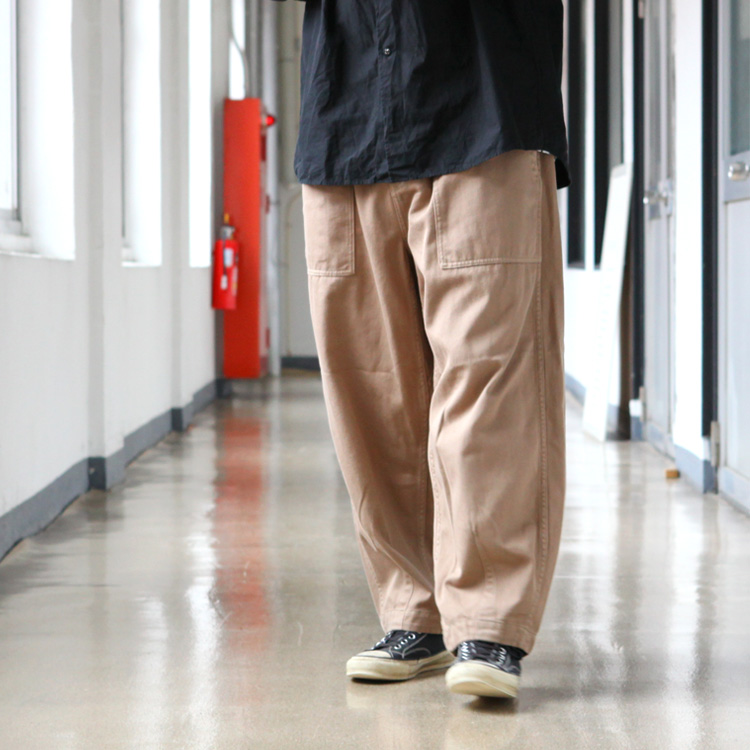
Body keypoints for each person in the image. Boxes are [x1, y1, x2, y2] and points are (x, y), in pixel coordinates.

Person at [272, 0, 569, 700]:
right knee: (371, 390)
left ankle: (488, 623)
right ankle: (416, 614)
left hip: (484, 104)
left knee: (488, 381)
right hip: (346, 116)